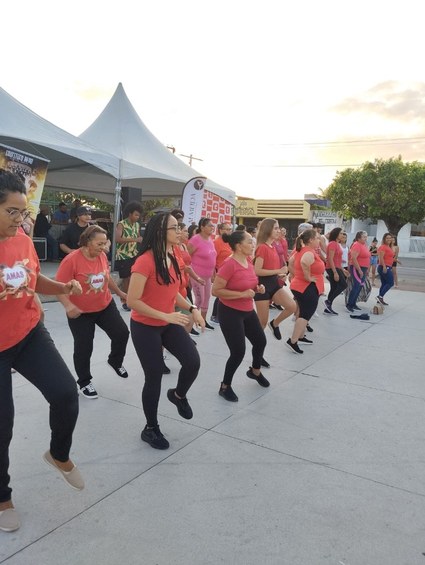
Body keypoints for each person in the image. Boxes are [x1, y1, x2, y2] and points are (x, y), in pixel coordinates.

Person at [0, 169, 84, 534]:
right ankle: (2, 497)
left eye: (23, 213)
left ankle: (59, 454)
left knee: (66, 393)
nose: (20, 221)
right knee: (2, 426)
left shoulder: (20, 238)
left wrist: (61, 285)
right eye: (12, 212)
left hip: (29, 332)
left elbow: (32, 277)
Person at [127, 213, 205, 450]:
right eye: (176, 227)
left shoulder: (173, 255)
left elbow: (173, 292)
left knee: (192, 362)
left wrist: (192, 308)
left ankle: (178, 395)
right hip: (145, 326)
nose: (181, 230)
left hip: (168, 321)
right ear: (161, 232)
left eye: (180, 226)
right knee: (154, 377)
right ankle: (150, 428)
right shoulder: (145, 261)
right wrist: (165, 316)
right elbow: (132, 300)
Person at [55, 225, 130, 399]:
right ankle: (84, 382)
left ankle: (115, 361)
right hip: (80, 312)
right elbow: (58, 288)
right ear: (88, 241)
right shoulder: (72, 260)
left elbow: (106, 277)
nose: (104, 248)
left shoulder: (102, 256)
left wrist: (119, 293)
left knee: (122, 333)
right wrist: (68, 306)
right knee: (84, 347)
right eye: (100, 244)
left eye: (105, 243)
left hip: (104, 306)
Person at [212, 231, 269, 402]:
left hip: (247, 310)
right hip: (230, 312)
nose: (253, 245)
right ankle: (225, 386)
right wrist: (241, 294)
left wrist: (258, 287)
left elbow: (249, 282)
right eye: (250, 242)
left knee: (260, 341)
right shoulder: (229, 264)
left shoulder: (248, 261)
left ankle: (255, 371)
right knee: (238, 352)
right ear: (238, 246)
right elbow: (216, 291)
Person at [254, 218, 297, 343]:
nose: (279, 231)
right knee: (261, 324)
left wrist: (279, 275)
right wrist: (278, 271)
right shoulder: (262, 247)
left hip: (273, 284)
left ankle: (275, 323)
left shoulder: (272, 246)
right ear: (268, 230)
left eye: (279, 228)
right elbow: (257, 271)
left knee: (292, 306)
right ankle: (258, 354)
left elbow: (269, 269)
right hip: (261, 287)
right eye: (276, 228)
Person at [287, 229, 325, 353]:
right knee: (305, 315)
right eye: (317, 238)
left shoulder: (301, 250)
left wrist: (296, 276)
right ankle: (293, 341)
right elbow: (304, 262)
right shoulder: (308, 252)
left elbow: (291, 263)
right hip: (306, 287)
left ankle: (301, 337)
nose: (319, 240)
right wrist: (307, 277)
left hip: (299, 286)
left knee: (303, 312)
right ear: (310, 240)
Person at [187, 217, 217, 330]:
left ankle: (202, 321)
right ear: (202, 227)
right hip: (197, 275)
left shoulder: (210, 240)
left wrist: (213, 274)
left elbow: (212, 257)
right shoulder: (195, 240)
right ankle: (191, 323)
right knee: (200, 299)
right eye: (209, 225)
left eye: (212, 226)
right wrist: (189, 273)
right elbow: (186, 257)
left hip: (208, 276)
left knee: (207, 298)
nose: (212, 228)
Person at [114, 201, 143, 311]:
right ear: (130, 213)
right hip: (123, 255)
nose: (137, 217)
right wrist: (135, 239)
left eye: (139, 215)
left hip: (133, 254)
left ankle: (131, 298)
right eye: (136, 214)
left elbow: (139, 237)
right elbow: (118, 239)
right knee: (126, 279)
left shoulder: (137, 225)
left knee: (133, 278)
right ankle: (125, 300)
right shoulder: (121, 224)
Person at [211, 222, 233, 323]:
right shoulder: (216, 242)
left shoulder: (230, 242)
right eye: (226, 229)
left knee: (226, 295)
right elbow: (212, 260)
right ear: (220, 230)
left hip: (230, 273)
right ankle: (215, 315)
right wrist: (213, 274)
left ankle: (222, 315)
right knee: (220, 294)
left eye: (230, 229)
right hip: (220, 272)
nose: (229, 231)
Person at [323, 227, 347, 315]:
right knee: (343, 285)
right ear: (336, 234)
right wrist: (335, 272)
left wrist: (343, 270)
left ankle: (328, 308)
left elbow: (338, 259)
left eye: (343, 233)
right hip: (332, 268)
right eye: (341, 233)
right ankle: (328, 302)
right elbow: (330, 258)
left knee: (334, 287)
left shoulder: (337, 244)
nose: (342, 235)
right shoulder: (332, 244)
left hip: (337, 267)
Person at [346, 231, 371, 313]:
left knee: (360, 286)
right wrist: (359, 270)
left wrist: (367, 269)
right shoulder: (356, 245)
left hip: (364, 268)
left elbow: (367, 257)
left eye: (366, 237)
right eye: (364, 237)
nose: (365, 238)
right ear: (359, 238)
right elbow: (354, 258)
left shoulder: (364, 245)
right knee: (356, 285)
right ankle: (349, 304)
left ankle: (354, 303)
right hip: (357, 268)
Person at [376, 232, 395, 306]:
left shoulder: (388, 247)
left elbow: (390, 257)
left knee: (384, 283)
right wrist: (384, 266)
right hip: (384, 267)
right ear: (384, 239)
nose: (389, 239)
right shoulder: (383, 247)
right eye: (387, 238)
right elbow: (381, 258)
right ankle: (380, 296)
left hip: (387, 266)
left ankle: (380, 299)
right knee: (390, 283)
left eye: (390, 238)